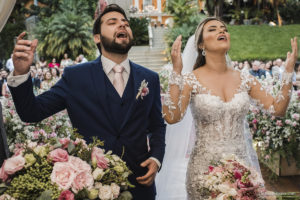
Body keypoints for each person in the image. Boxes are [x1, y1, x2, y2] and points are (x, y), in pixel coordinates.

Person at [8, 4, 165, 200]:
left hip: (141, 187)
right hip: (91, 188)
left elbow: (157, 125)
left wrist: (156, 157)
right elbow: (31, 112)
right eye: (112, 22)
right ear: (97, 37)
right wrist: (21, 74)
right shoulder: (75, 77)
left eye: (125, 23)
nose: (122, 25)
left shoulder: (150, 78)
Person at [162, 17, 297, 199]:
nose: (221, 31)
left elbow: (278, 109)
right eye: (213, 29)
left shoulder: (245, 78)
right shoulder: (190, 80)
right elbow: (172, 117)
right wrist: (176, 72)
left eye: (224, 29)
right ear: (201, 44)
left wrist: (288, 72)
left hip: (242, 168)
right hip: (203, 171)